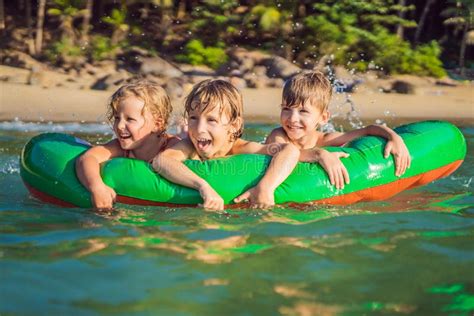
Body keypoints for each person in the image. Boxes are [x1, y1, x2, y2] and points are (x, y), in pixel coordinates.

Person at [152, 79, 300, 211]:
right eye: (193, 118)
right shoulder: (188, 146)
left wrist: (266, 187)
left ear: (234, 125)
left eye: (211, 120)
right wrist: (202, 186)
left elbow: (290, 150)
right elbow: (161, 161)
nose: (199, 128)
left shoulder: (242, 149)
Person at [266, 71, 411, 190]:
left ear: (323, 118)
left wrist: (393, 137)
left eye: (303, 111)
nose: (292, 118)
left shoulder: (327, 139)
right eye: (286, 109)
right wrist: (319, 154)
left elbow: (368, 130)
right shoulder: (278, 135)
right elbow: (285, 153)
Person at [76, 79, 180, 208]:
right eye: (117, 118)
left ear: (157, 124)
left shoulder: (173, 147)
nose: (119, 126)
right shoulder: (120, 147)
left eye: (129, 119)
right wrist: (97, 187)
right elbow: (87, 158)